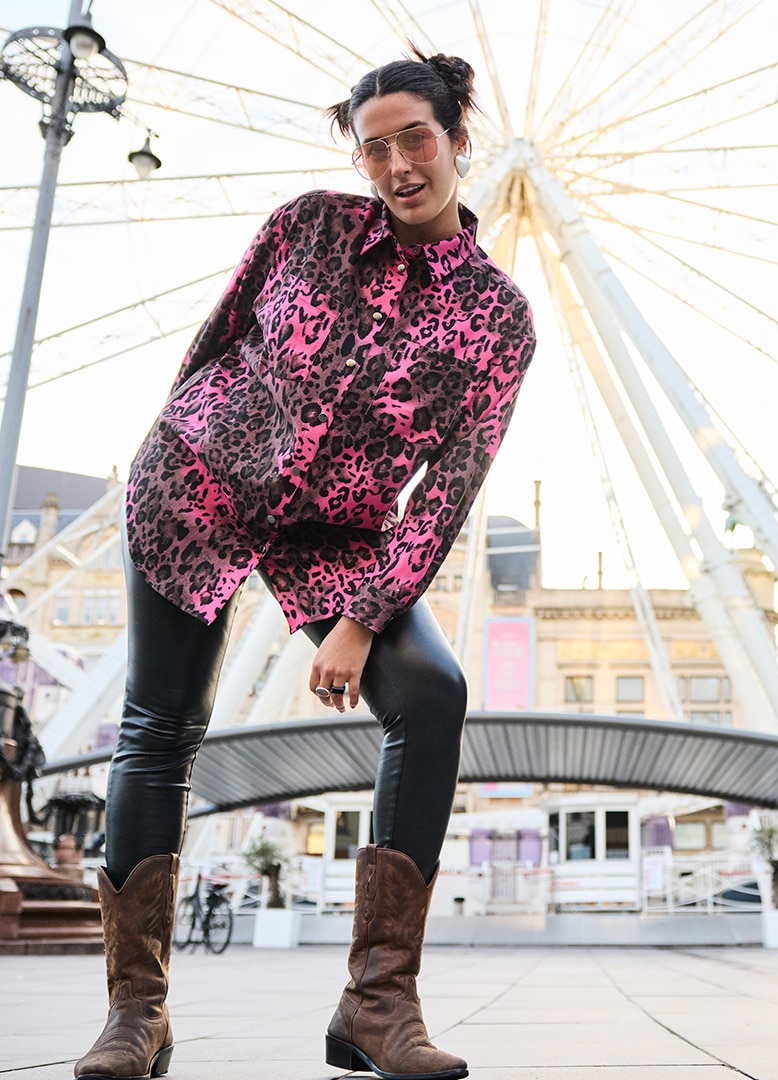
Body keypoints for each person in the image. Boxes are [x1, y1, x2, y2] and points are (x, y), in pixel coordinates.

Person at [75, 46, 535, 1080]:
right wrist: (172, 449)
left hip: (340, 535)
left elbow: (448, 494)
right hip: (201, 480)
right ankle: (133, 1017)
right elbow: (216, 341)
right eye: (375, 149)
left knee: (433, 693)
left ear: (462, 138)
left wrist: (363, 618)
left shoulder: (498, 320)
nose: (398, 165)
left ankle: (377, 1004)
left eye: (416, 138)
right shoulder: (307, 226)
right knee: (160, 727)